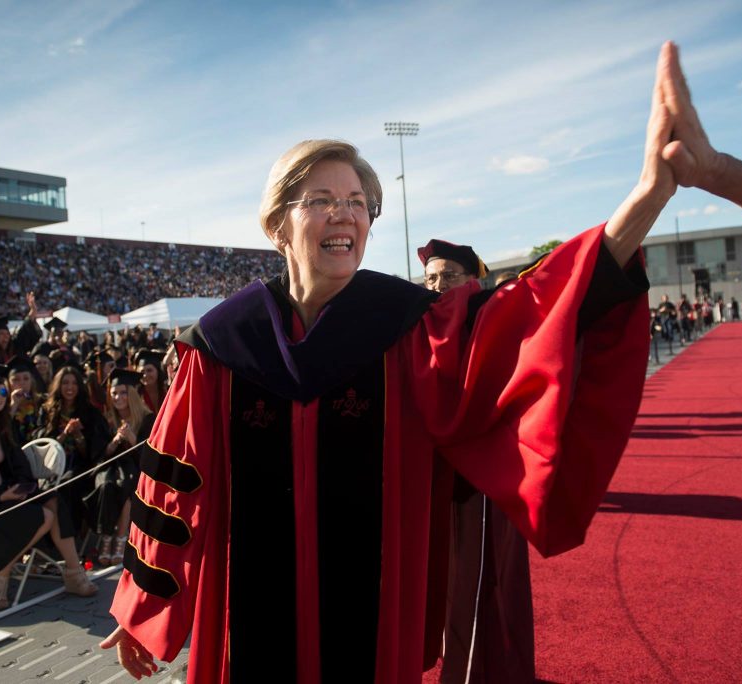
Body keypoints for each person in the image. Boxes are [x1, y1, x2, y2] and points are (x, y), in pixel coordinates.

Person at [101, 36, 676, 677]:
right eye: (321, 200)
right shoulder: (220, 347)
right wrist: (139, 606)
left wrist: (647, 197)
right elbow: (175, 488)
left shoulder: (411, 329)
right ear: (277, 225)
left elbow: (533, 315)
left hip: (374, 631)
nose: (344, 215)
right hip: (252, 619)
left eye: (357, 203)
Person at [418, 238, 536, 684]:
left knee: (486, 580)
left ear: (474, 280)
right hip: (436, 479)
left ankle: (484, 670)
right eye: (431, 278)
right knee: (446, 583)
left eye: (449, 276)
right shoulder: (420, 326)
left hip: (485, 478)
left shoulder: (491, 315)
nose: (439, 286)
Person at [0, 363, 97, 609]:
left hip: (7, 497)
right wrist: (1, 496)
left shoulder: (3, 428)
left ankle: (74, 572)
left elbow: (20, 466)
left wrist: (22, 488)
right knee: (43, 515)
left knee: (54, 500)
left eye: (1, 393)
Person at [85, 368, 156, 566]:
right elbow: (100, 455)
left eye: (123, 392)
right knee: (108, 485)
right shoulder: (107, 419)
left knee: (127, 485)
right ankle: (108, 537)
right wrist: (115, 441)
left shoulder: (147, 419)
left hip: (136, 469)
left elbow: (151, 456)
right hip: (110, 469)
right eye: (114, 393)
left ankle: (119, 539)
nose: (118, 397)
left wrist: (133, 440)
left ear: (132, 394)